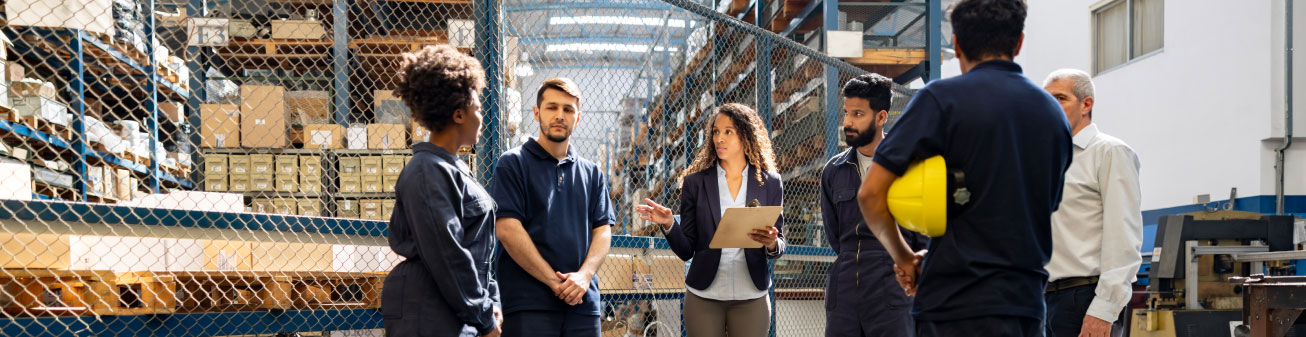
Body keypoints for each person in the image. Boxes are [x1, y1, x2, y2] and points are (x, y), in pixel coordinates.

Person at [854, 0, 1074, 335]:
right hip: (1024, 305)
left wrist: (905, 258)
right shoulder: (1054, 114)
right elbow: (1048, 204)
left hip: (952, 305)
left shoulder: (941, 100)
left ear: (956, 45)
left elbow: (870, 194)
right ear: (1018, 43)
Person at [382, 44, 502, 337]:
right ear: (459, 115)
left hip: (456, 311)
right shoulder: (427, 172)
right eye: (478, 108)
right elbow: (448, 254)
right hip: (431, 314)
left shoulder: (452, 168)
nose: (482, 117)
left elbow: (479, 251)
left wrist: (491, 304)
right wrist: (484, 316)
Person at [636, 103, 785, 337]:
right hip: (704, 296)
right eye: (716, 132)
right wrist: (669, 224)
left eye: (728, 131)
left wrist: (771, 243)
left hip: (751, 295)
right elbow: (687, 250)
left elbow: (779, 244)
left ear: (746, 135)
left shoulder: (770, 183)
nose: (719, 138)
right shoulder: (695, 183)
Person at [490, 77, 616, 337]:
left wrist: (584, 277)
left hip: (582, 304)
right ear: (537, 113)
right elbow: (507, 229)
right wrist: (553, 281)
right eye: (552, 107)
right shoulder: (512, 164)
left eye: (568, 109)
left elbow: (603, 231)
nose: (560, 115)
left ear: (578, 118)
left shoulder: (592, 173)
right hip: (529, 304)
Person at [821, 73, 928, 337]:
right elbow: (835, 235)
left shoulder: (911, 166)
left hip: (894, 283)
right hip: (844, 287)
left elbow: (923, 237)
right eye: (846, 112)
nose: (847, 122)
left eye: (858, 114)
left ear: (881, 117)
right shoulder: (833, 171)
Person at [1042, 69, 1143, 337]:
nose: (1051, 106)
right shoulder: (1046, 160)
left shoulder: (1109, 152)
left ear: (1086, 104)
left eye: (1060, 98)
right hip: (1042, 300)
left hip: (1083, 299)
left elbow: (1123, 237)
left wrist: (1104, 310)